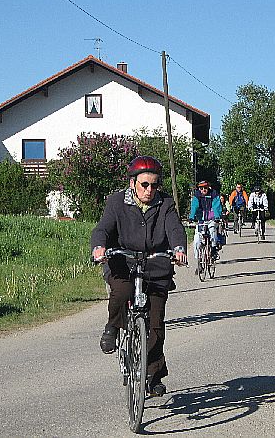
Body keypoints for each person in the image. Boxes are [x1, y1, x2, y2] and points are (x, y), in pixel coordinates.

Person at [91, 156, 187, 397]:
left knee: (155, 324)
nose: (150, 190)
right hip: (123, 261)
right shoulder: (116, 202)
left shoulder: (165, 204)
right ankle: (113, 327)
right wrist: (99, 247)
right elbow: (102, 228)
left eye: (154, 185)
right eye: (145, 185)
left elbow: (174, 228)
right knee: (121, 292)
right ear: (133, 183)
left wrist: (178, 248)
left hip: (156, 265)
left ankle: (153, 376)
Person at [189, 180, 222, 260]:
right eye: (201, 188)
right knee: (197, 241)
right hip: (201, 220)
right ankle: (198, 260)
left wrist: (217, 217)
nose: (203, 190)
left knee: (212, 230)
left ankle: (214, 249)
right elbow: (194, 206)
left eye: (205, 188)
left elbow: (216, 206)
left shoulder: (213, 194)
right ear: (199, 189)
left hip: (212, 219)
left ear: (208, 187)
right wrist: (191, 217)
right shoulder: (197, 195)